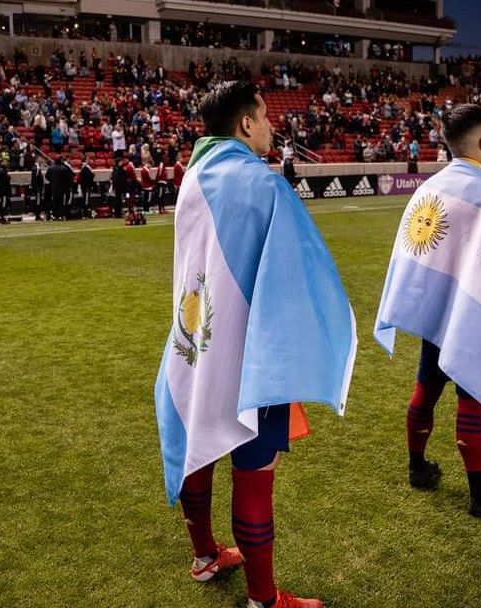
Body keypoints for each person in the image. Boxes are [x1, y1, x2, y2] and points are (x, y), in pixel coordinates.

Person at [154, 81, 358, 608]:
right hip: (247, 351)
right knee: (254, 466)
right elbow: (296, 274)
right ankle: (264, 598)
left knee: (201, 443)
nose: (271, 127)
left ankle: (204, 557)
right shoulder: (263, 185)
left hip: (195, 337)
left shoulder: (192, 175)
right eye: (265, 117)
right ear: (246, 124)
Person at [374, 104, 481, 518]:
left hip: (436, 311)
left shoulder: (428, 188)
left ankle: (418, 467)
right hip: (471, 311)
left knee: (426, 389)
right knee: (471, 402)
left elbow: (415, 250)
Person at [45, 155, 74, 221]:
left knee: (55, 202)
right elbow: (68, 179)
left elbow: (47, 176)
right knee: (62, 203)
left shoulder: (51, 168)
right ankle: (61, 215)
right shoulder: (64, 168)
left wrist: (52, 181)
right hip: (63, 189)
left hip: (54, 188)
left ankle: (55, 215)